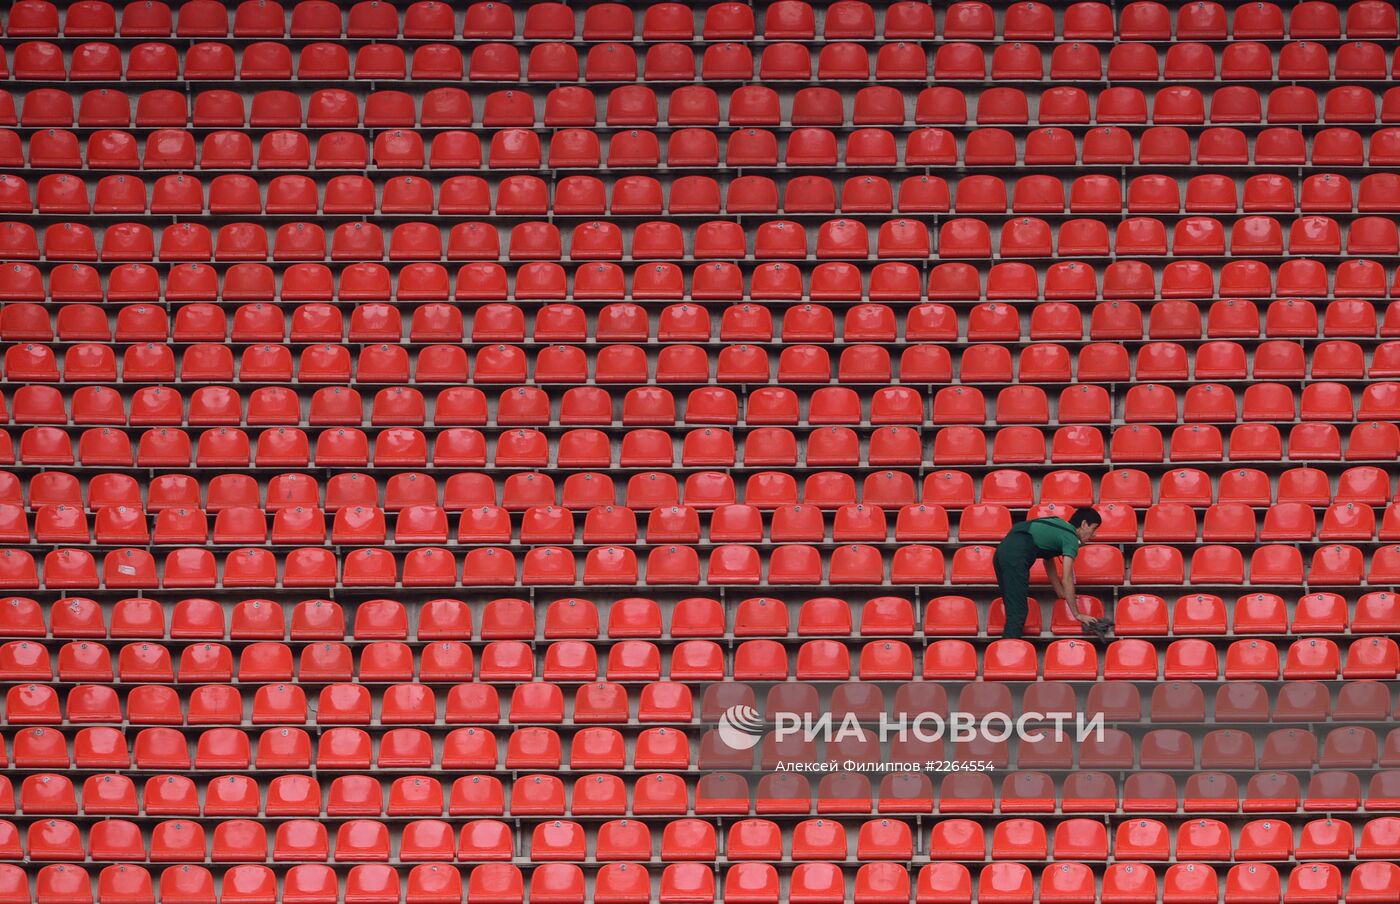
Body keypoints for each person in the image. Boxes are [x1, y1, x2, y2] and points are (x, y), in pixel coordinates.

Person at [993, 509, 1105, 640]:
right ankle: (1007, 654)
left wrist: (1060, 593)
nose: (1094, 535)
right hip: (1015, 557)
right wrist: (1077, 614)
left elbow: (1048, 560)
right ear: (1084, 524)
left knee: (1013, 610)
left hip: (1002, 552)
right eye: (1094, 529)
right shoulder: (1071, 538)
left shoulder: (1059, 525)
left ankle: (1004, 650)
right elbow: (1067, 578)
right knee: (1018, 613)